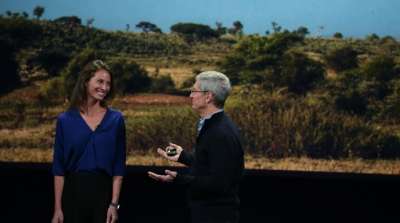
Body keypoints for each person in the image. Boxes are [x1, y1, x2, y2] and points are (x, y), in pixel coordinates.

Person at [148, 71, 244, 223]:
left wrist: (178, 179)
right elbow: (210, 164)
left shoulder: (220, 133)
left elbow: (219, 183)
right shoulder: (215, 125)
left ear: (208, 96)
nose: (190, 95)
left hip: (215, 216)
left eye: (194, 91)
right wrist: (182, 156)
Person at [51, 60, 126, 223]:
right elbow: (58, 168)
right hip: (72, 195)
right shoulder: (65, 120)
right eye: (100, 81)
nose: (104, 87)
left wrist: (114, 204)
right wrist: (57, 208)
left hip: (104, 196)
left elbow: (119, 167)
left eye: (108, 83)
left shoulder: (116, 119)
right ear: (86, 82)